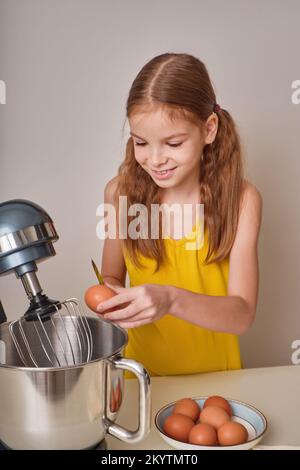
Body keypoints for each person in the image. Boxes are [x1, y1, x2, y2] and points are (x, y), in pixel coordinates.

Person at [98, 52, 262, 376]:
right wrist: (110, 300)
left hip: (219, 381)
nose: (155, 159)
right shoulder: (119, 194)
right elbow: (111, 277)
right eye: (141, 142)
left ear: (209, 129)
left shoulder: (241, 200)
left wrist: (170, 299)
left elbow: (242, 314)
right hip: (141, 380)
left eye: (173, 143)